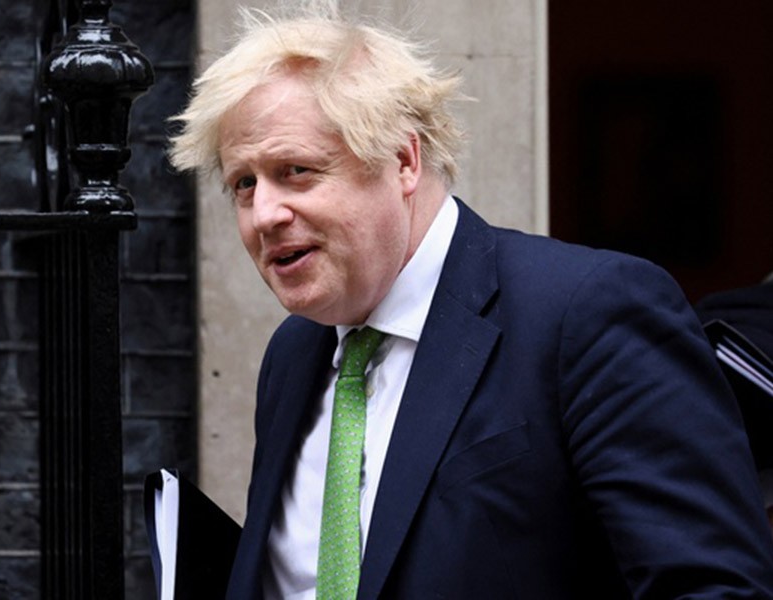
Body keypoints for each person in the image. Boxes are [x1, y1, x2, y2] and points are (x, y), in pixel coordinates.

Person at [167, 4, 773, 598]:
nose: (264, 214)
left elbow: (711, 585)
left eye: (296, 170)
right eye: (244, 183)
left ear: (403, 159)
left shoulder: (587, 312)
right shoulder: (294, 354)